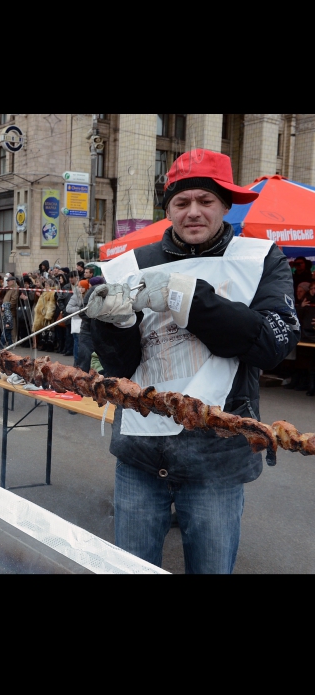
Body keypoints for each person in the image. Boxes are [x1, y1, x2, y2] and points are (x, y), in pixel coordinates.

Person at [87, 149, 300, 574]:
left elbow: (271, 345)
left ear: (225, 204)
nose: (194, 212)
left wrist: (190, 298)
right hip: (140, 456)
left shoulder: (260, 259)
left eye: (206, 200)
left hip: (218, 461)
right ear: (168, 209)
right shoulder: (129, 265)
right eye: (182, 202)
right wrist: (113, 324)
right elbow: (120, 366)